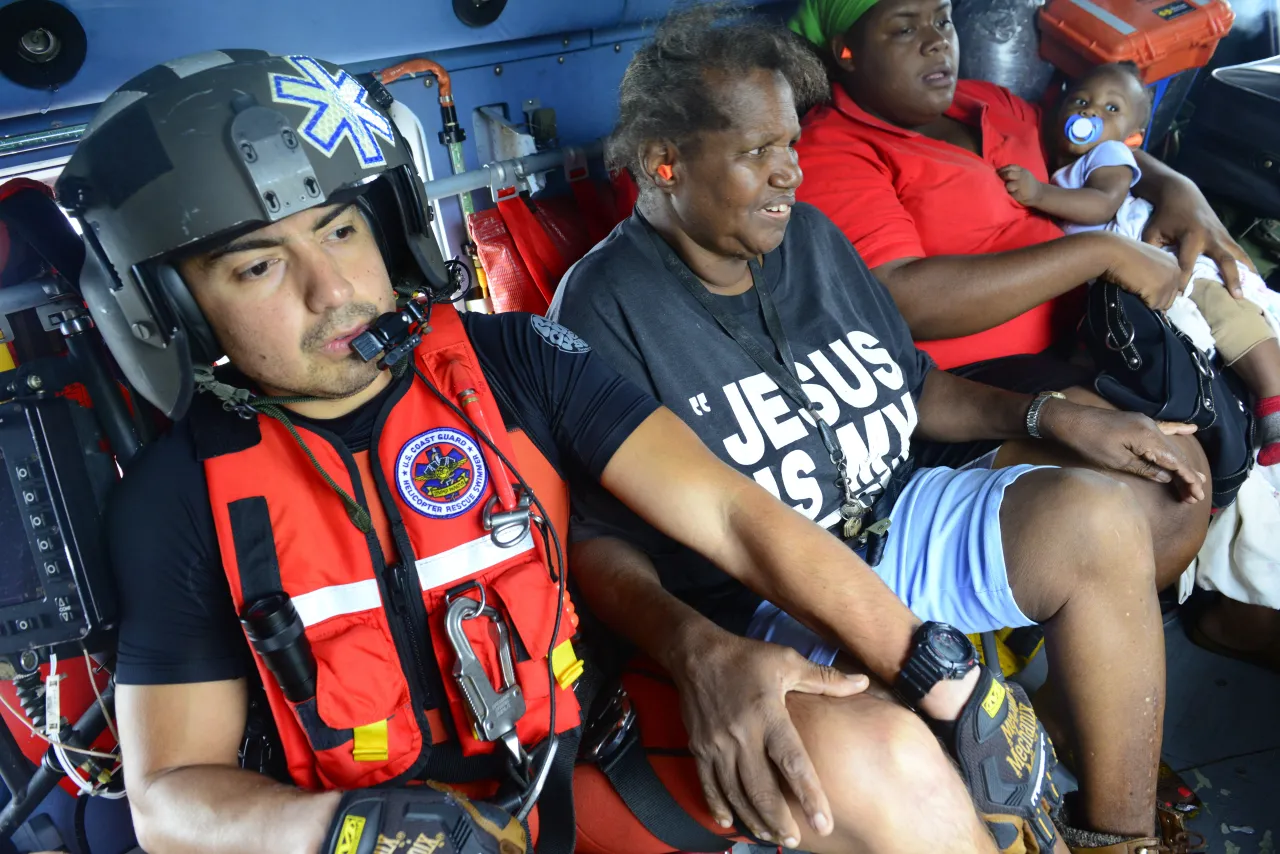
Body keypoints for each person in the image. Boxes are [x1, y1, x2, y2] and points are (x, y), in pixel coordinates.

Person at [71, 51, 1044, 854]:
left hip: (577, 775)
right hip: (366, 832)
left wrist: (941, 673)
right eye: (256, 264)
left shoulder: (515, 360)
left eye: (339, 227)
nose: (332, 290)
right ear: (169, 310)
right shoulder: (176, 497)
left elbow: (736, 517)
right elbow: (169, 801)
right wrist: (352, 828)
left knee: (893, 756)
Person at [549, 9, 1210, 854]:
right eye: (758, 153)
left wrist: (1054, 414)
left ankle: (1122, 839)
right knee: (900, 770)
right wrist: (692, 647)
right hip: (759, 595)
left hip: (894, 516)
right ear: (663, 162)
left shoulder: (811, 240)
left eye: (790, 143)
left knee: (1099, 515)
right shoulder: (604, 308)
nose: (790, 172)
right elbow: (596, 545)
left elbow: (911, 387)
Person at [789, 0, 1277, 692]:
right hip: (966, 388)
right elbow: (903, 299)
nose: (935, 41)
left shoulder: (992, 105)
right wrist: (1098, 256)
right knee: (1167, 489)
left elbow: (1094, 156)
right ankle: (1059, 691)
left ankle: (1223, 613)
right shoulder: (833, 149)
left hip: (1097, 340)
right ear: (845, 52)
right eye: (904, 27)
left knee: (1222, 415)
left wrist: (1176, 186)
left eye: (943, 19)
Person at [997, 61, 1280, 468]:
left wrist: (1038, 193)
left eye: (1112, 109)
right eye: (1081, 100)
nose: (1092, 111)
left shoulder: (1107, 156)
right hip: (1124, 282)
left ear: (1133, 136)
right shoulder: (1063, 169)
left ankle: (1273, 397)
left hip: (1161, 257)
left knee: (1224, 309)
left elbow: (1102, 205)